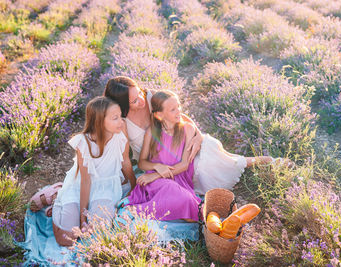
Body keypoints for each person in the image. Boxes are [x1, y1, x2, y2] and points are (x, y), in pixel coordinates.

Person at [104, 76, 293, 195]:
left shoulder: (150, 97)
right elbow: (127, 159)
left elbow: (180, 117)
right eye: (134, 100)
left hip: (178, 142)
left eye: (140, 93)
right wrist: (133, 184)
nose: (142, 101)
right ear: (122, 105)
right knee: (203, 170)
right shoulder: (121, 120)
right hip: (159, 160)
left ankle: (257, 161)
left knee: (210, 151)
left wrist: (197, 136)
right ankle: (245, 162)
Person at [52, 96, 136, 246]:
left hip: (106, 188)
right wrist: (82, 218)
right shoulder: (83, 142)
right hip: (79, 186)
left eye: (120, 116)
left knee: (97, 235)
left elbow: (126, 161)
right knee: (67, 239)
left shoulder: (120, 133)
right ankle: (58, 202)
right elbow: (85, 180)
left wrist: (135, 186)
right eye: (115, 118)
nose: (121, 121)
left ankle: (87, 213)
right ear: (100, 122)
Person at [126, 90, 201, 222]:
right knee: (183, 199)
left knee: (190, 205)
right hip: (156, 182)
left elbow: (184, 165)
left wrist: (156, 174)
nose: (179, 111)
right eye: (173, 109)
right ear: (159, 115)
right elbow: (142, 162)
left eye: (178, 106)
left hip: (177, 178)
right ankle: (133, 212)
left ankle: (136, 211)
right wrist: (156, 167)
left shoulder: (187, 129)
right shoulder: (152, 132)